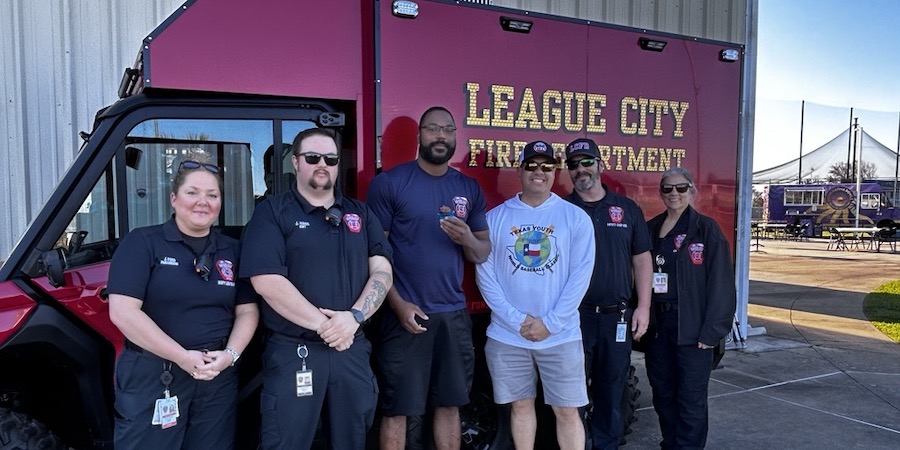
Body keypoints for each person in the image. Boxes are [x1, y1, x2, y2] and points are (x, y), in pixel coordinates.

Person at [240, 128, 393, 449]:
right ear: (296, 162)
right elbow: (266, 281)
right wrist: (326, 326)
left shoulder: (361, 213)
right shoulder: (272, 212)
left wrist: (353, 318)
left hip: (350, 349)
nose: (322, 164)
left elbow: (382, 271)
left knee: (351, 440)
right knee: (286, 441)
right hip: (294, 352)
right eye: (312, 157)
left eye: (331, 158)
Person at [108, 157, 259, 450]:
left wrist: (229, 355)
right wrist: (182, 357)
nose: (203, 202)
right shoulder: (142, 243)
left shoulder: (233, 250)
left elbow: (248, 311)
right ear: (174, 198)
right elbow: (123, 312)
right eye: (193, 192)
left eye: (212, 195)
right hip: (155, 374)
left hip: (215, 376)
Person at [366, 106, 491, 450]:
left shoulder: (468, 187)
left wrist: (467, 238)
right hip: (403, 315)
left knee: (450, 404)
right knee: (397, 409)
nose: (440, 136)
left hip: (453, 316)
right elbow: (374, 256)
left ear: (455, 137)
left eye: (447, 130)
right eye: (433, 129)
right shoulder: (390, 183)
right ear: (419, 135)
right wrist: (398, 305)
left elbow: (482, 252)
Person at [475, 140, 595, 450]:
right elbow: (485, 277)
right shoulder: (494, 218)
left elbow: (579, 278)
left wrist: (550, 323)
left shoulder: (575, 218)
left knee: (568, 411)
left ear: (556, 172)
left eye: (546, 166)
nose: (538, 172)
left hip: (561, 336)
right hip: (508, 335)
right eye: (531, 165)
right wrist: (519, 321)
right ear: (519, 170)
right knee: (520, 407)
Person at [563, 138, 653, 449]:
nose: (580, 169)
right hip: (574, 319)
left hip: (617, 316)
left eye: (587, 162)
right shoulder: (560, 210)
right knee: (569, 394)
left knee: (612, 391)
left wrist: (643, 307)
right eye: (573, 165)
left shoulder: (626, 209)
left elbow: (641, 259)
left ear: (601, 165)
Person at [644, 167, 736, 450]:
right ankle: (671, 444)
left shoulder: (706, 230)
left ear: (692, 191)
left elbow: (721, 284)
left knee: (691, 398)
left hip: (693, 328)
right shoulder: (651, 228)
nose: (674, 194)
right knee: (663, 393)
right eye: (668, 189)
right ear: (660, 193)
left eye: (681, 188)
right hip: (659, 329)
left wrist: (712, 331)